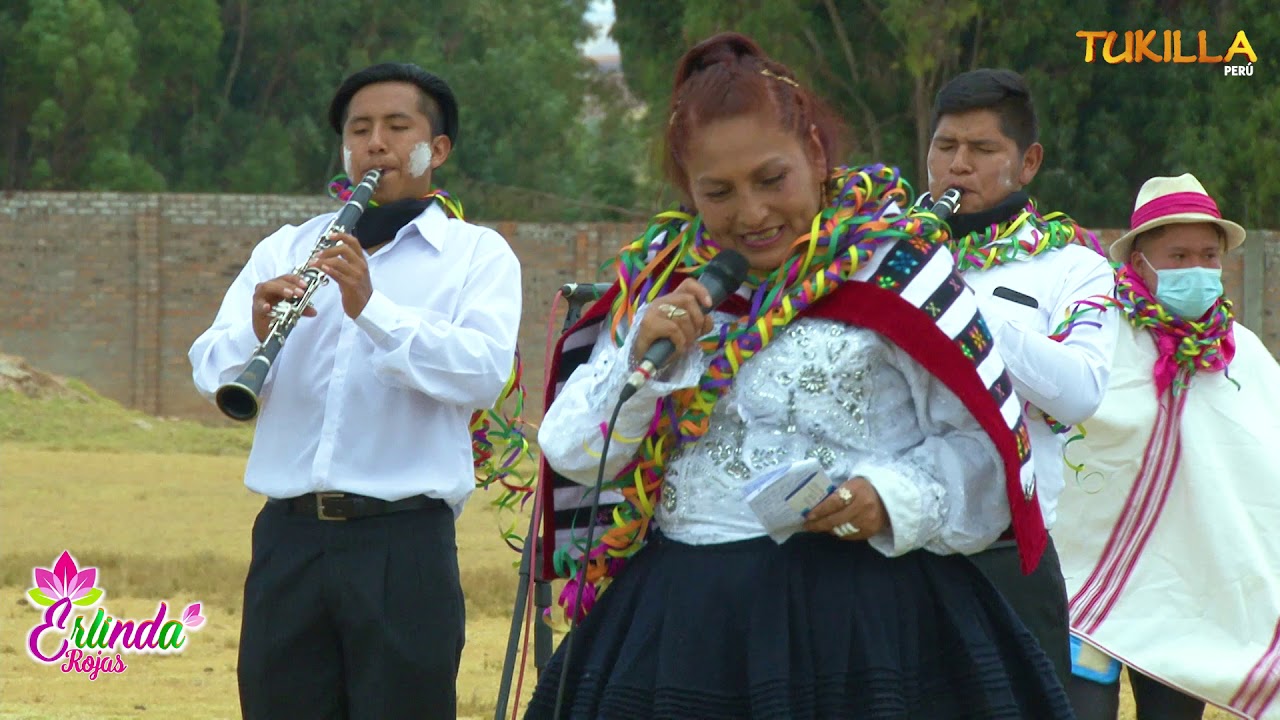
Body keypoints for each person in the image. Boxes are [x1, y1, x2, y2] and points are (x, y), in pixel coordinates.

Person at [526, 32, 1073, 719]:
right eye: (717, 192)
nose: (750, 214)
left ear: (815, 155)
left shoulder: (898, 271)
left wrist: (888, 497)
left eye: (770, 179)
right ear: (687, 190)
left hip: (867, 625)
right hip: (686, 628)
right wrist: (643, 357)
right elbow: (575, 450)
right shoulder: (665, 286)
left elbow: (987, 452)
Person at [188, 62, 523, 719]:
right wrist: (255, 331)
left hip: (404, 545)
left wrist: (373, 309)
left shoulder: (477, 255)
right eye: (360, 129)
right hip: (289, 540)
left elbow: (484, 372)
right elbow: (211, 367)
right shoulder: (285, 248)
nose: (376, 143)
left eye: (399, 127)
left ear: (439, 150)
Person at [916, 68, 1120, 686]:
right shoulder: (883, 248)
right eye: (946, 146)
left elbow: (1081, 392)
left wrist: (961, 311)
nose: (959, 166)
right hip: (891, 552)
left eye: (982, 150)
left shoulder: (1074, 265)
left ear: (1027, 163)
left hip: (1007, 554)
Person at [1054, 173, 1280, 719]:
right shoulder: (1096, 334)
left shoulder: (1240, 356)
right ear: (1138, 261)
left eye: (1208, 255)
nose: (1196, 270)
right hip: (1080, 581)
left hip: (1186, 597)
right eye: (1177, 255)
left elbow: (1260, 468)